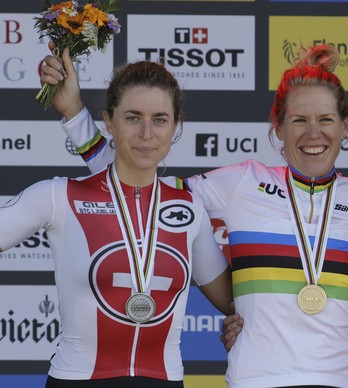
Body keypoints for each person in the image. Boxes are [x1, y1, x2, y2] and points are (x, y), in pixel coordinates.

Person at [40, 44, 348, 387]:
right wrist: (75, 116)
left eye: (325, 120)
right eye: (298, 120)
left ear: (345, 127)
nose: (313, 133)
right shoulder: (236, 184)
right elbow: (138, 187)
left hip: (337, 380)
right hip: (254, 380)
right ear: (278, 127)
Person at [1, 60, 233, 387]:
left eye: (160, 120)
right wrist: (73, 112)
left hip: (164, 380)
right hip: (77, 379)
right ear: (109, 122)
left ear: (176, 125)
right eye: (133, 118)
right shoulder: (57, 196)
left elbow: (234, 301)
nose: (146, 133)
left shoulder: (189, 206)